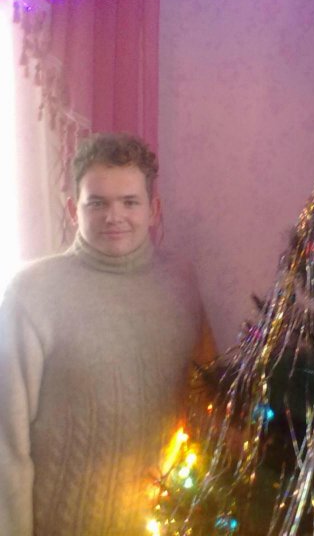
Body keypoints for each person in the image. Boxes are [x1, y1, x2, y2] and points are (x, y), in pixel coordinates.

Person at [0, 133, 212, 535]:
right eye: (97, 203)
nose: (114, 217)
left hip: (167, 524)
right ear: (72, 209)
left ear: (153, 209)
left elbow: (208, 398)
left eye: (129, 202)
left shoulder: (180, 283)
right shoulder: (31, 294)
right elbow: (6, 445)